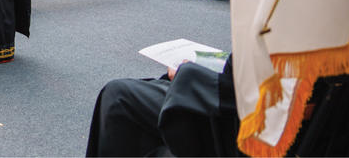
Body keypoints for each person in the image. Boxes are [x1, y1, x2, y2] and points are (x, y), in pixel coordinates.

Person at [86, 57, 238, 156]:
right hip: (232, 97)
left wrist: (186, 73)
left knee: (118, 98)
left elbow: (241, 89)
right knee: (119, 95)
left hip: (236, 121)